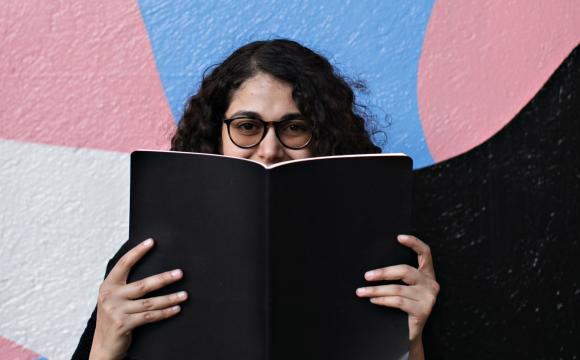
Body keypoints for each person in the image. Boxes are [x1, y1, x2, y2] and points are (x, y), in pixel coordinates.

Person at [73, 39, 439, 360]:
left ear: (325, 138)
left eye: (294, 128)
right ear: (215, 135)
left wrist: (412, 341)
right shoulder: (147, 260)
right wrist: (105, 345)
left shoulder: (386, 261)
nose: (269, 150)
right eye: (247, 127)